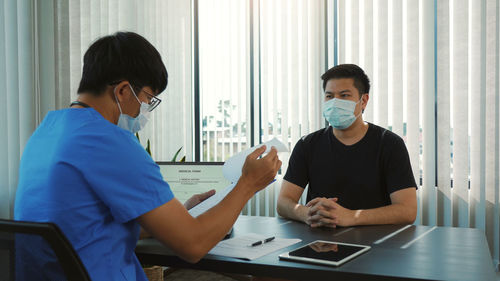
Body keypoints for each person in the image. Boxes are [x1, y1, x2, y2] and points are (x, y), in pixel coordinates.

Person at [14, 31, 281, 280]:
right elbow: (194, 246)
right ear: (122, 90)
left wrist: (179, 214)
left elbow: (87, 228)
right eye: (148, 99)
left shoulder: (46, 131)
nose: (146, 110)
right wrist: (248, 184)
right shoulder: (112, 141)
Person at [276, 64, 417, 228]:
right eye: (329, 96)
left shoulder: (390, 144)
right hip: (319, 242)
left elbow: (407, 211)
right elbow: (284, 202)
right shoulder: (307, 144)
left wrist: (351, 217)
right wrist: (307, 214)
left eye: (344, 95)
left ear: (363, 100)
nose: (335, 102)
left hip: (376, 243)